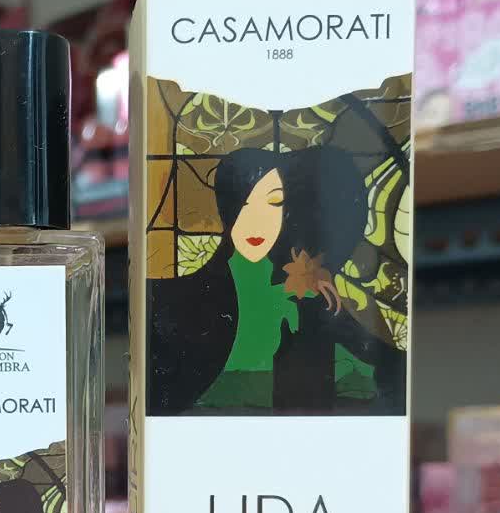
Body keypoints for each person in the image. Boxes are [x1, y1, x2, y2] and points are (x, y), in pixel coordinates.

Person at [147, 144, 405, 415]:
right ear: (228, 208)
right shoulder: (187, 294)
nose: (257, 220)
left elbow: (374, 368)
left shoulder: (305, 287)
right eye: (245, 203)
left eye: (274, 202)